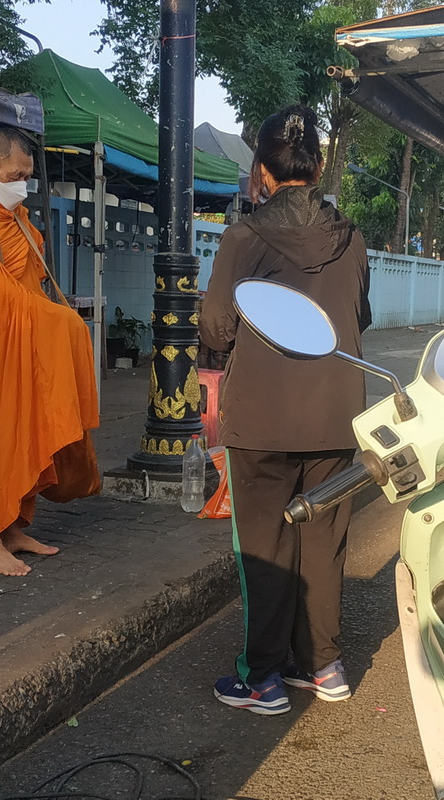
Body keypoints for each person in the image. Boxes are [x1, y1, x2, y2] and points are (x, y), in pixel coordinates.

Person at [199, 105, 372, 715]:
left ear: (263, 171)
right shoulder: (352, 239)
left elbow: (215, 328)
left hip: (262, 419)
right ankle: (323, 666)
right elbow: (359, 317)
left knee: (265, 546)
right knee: (323, 543)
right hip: (335, 415)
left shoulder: (243, 238)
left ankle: (262, 678)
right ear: (317, 166)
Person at [0, 128, 99, 577]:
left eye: (27, 177)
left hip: (23, 345)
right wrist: (56, 322)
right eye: (14, 175)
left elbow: (31, 288)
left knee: (25, 432)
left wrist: (51, 324)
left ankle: (12, 530)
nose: (21, 185)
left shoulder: (21, 221)